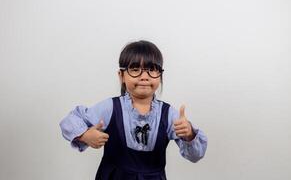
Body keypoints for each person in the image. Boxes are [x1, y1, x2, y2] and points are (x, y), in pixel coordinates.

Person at [59, 40, 208, 180]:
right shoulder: (111, 108)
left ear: (160, 75)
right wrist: (84, 135)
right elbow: (71, 120)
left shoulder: (169, 115)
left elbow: (195, 155)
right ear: (121, 75)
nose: (144, 76)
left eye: (152, 70)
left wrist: (189, 134)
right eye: (135, 69)